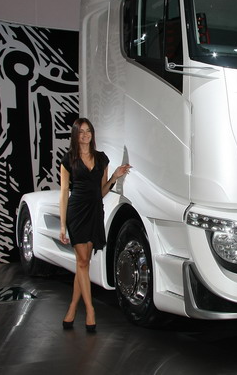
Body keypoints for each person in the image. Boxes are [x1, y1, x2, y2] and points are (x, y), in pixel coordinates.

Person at [60, 118, 131, 331]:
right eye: (81, 132)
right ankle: (90, 310)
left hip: (94, 212)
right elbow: (64, 193)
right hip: (76, 213)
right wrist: (62, 225)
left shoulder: (101, 159)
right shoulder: (68, 159)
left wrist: (114, 177)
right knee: (82, 261)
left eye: (88, 131)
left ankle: (72, 309)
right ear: (75, 135)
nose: (85, 135)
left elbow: (101, 192)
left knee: (83, 264)